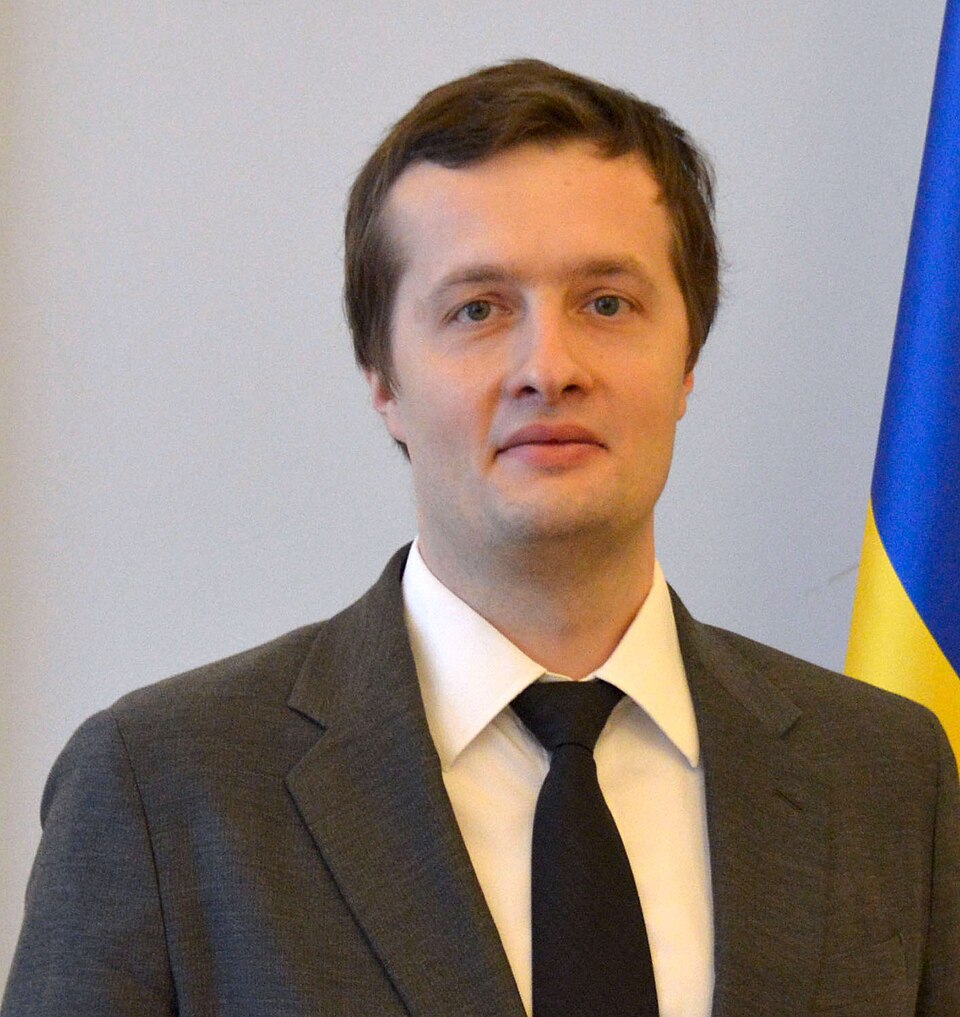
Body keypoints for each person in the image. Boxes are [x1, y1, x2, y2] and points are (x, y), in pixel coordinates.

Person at [3, 59, 958, 1017]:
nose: (549, 367)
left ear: (687, 361)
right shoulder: (162, 787)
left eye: (607, 302)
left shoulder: (887, 776)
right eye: (478, 310)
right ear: (384, 381)